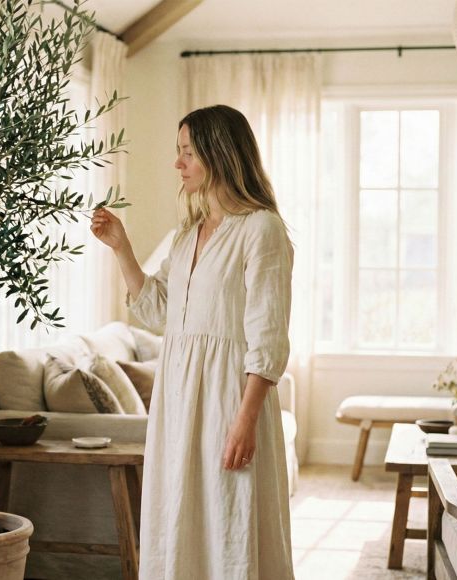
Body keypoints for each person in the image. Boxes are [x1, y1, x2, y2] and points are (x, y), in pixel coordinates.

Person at [90, 104, 295, 580]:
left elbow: (267, 336)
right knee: (179, 517)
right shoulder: (186, 235)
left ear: (218, 154)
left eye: (187, 152)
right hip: (178, 402)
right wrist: (122, 248)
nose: (177, 163)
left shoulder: (261, 229)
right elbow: (157, 311)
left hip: (228, 398)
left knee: (229, 515)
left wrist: (245, 420)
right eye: (178, 151)